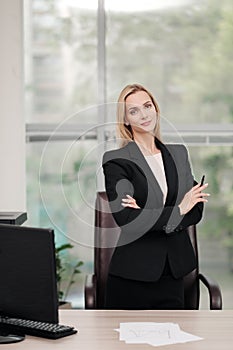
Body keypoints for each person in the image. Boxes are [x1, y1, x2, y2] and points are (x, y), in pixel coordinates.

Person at [102, 83, 209, 310]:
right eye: (133, 111)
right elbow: (128, 220)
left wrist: (147, 213)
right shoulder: (116, 161)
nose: (143, 115)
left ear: (156, 109)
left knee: (174, 343)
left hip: (173, 272)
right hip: (131, 276)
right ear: (125, 120)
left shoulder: (178, 154)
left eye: (147, 106)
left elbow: (196, 210)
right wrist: (179, 208)